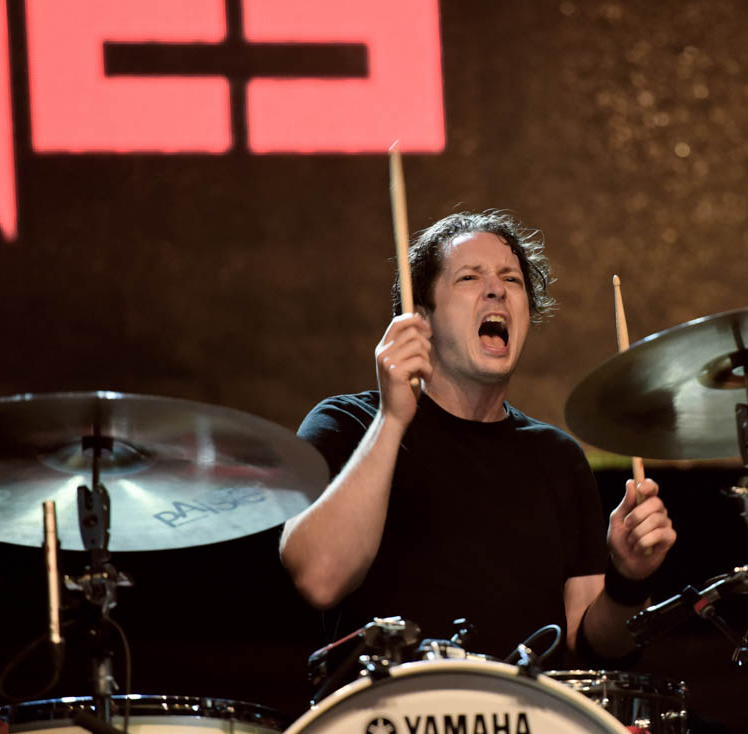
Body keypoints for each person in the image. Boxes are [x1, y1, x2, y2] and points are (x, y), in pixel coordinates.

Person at [280, 210, 676, 663]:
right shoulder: (347, 423)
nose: (496, 290)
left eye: (512, 280)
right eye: (469, 277)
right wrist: (392, 419)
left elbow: (592, 645)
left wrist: (629, 581)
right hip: (390, 707)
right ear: (420, 318)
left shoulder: (557, 458)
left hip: (523, 709)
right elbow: (320, 579)